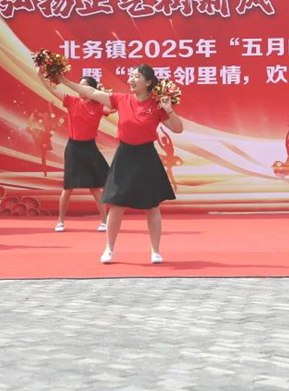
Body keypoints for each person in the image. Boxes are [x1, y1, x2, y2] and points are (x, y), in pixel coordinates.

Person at [60, 65, 183, 264]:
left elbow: (177, 129)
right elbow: (91, 92)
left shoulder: (156, 105)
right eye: (131, 76)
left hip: (146, 157)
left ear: (148, 82)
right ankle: (109, 249)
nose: (131, 79)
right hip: (125, 155)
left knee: (152, 206)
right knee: (116, 204)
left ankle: (155, 251)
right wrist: (64, 81)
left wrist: (169, 110)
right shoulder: (121, 99)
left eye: (137, 76)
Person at [39, 75, 112, 232]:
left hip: (90, 148)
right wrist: (40, 75)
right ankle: (60, 221)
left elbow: (112, 108)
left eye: (83, 86)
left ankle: (104, 221)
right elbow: (51, 89)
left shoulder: (99, 106)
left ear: (91, 89)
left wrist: (104, 95)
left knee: (95, 188)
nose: (79, 89)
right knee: (68, 188)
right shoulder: (72, 101)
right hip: (74, 148)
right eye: (79, 85)